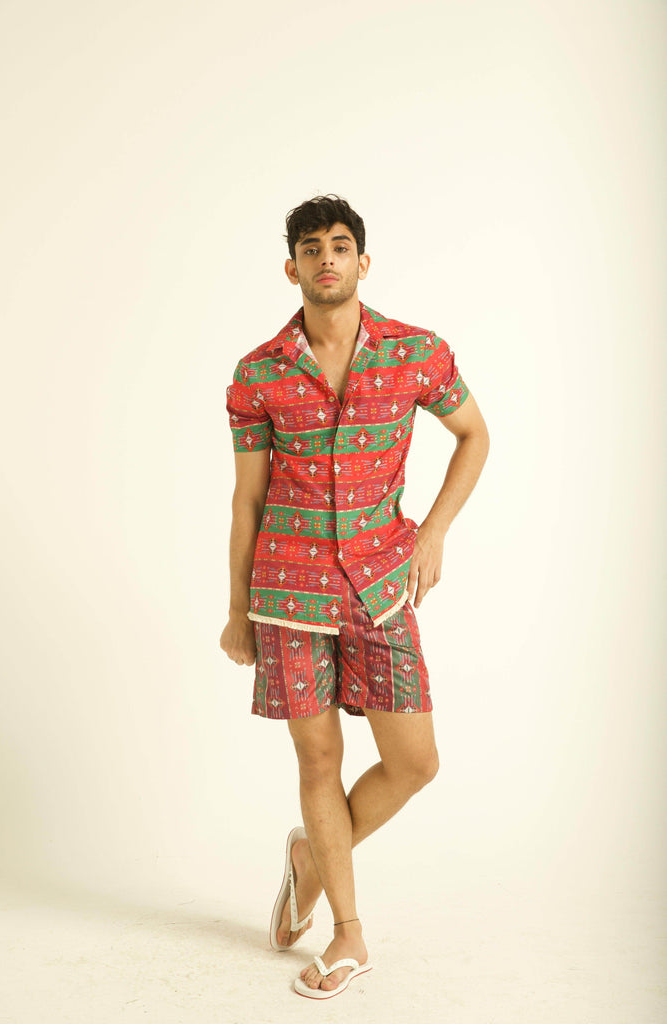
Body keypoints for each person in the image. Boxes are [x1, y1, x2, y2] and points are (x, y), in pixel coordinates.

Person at [220, 194, 490, 999]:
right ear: (292, 268)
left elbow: (475, 435)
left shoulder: (416, 352)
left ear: (362, 262)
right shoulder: (258, 374)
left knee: (415, 761)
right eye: (312, 248)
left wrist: (433, 533)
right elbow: (247, 499)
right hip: (288, 592)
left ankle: (311, 858)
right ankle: (347, 934)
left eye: (340, 245)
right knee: (319, 760)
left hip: (380, 584)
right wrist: (236, 610)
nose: (327, 258)